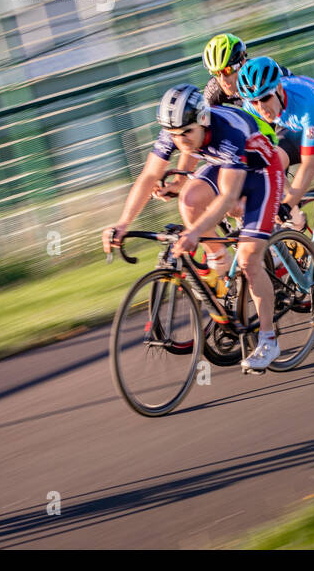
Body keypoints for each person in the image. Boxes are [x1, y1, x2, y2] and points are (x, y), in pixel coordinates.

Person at [101, 85, 285, 371]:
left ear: (202, 120)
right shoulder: (176, 130)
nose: (180, 141)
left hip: (261, 171)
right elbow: (150, 175)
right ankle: (221, 270)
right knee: (188, 200)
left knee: (249, 260)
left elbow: (227, 197)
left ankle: (269, 339)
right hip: (223, 165)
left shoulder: (228, 133)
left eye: (186, 133)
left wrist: (196, 233)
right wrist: (123, 223)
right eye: (174, 135)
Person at [237, 56, 314, 326]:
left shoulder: (305, 103)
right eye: (255, 102)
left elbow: (309, 165)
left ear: (279, 90)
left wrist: (289, 201)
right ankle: (295, 237)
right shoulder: (253, 105)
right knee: (270, 164)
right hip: (300, 131)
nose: (261, 108)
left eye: (266, 99)